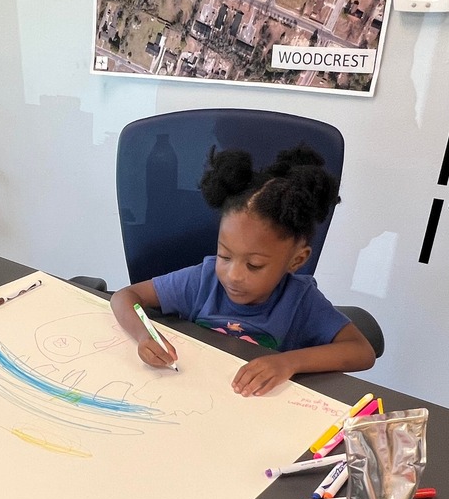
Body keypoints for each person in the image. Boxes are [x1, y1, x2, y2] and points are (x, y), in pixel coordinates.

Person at [110, 144, 376, 397]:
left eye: (254, 265)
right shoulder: (204, 280)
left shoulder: (300, 301)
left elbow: (362, 351)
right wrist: (145, 336)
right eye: (224, 255)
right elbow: (125, 297)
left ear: (296, 260)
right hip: (192, 393)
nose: (233, 275)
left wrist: (289, 362)